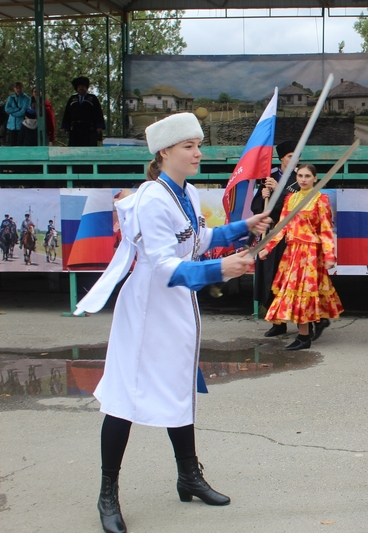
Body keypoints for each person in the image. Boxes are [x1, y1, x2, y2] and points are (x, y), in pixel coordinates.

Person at [73, 112, 271, 533]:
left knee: (179, 386)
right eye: (189, 146)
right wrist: (222, 271)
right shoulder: (150, 199)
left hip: (178, 305)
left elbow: (197, 240)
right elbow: (164, 267)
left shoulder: (188, 192)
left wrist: (243, 227)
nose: (199, 152)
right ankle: (108, 493)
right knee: (125, 397)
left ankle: (188, 476)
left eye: (198, 144)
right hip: (147, 307)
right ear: (164, 152)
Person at [258, 163, 343, 351]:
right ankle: (313, 325)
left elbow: (326, 230)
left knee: (303, 294)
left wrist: (330, 255)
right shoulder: (291, 199)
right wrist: (267, 248)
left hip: (311, 254)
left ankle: (304, 337)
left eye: (307, 176)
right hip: (292, 252)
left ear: (315, 178)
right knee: (296, 293)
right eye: (300, 176)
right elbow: (281, 227)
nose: (303, 179)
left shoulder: (320, 199)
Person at [251, 139, 308, 338]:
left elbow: (299, 204)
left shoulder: (300, 177)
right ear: (282, 158)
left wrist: (279, 189)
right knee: (270, 277)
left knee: (290, 278)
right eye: (291, 157)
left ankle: (304, 323)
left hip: (291, 235)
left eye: (297, 157)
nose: (295, 160)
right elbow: (257, 207)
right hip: (271, 233)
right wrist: (263, 194)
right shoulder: (269, 176)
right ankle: (277, 322)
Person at [60, 76, 105, 147]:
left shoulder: (92, 98)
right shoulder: (72, 99)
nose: (81, 88)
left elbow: (98, 113)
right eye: (80, 86)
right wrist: (65, 126)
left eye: (83, 86)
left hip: (89, 129)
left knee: (89, 148)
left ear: (86, 88)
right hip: (75, 129)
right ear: (77, 88)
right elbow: (67, 114)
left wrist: (99, 126)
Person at [5, 82, 31, 147]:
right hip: (11, 125)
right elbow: (7, 109)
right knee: (12, 144)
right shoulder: (10, 98)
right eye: (17, 88)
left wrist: (13, 114)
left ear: (22, 88)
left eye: (20, 88)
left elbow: (23, 111)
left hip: (22, 125)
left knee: (21, 144)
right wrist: (17, 109)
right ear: (14, 88)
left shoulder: (27, 98)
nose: (18, 90)